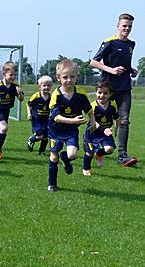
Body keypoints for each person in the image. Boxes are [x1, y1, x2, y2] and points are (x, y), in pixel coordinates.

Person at [90, 13, 138, 167]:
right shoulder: (109, 42)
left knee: (124, 121)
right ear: (118, 26)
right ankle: (90, 142)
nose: (127, 29)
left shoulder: (131, 44)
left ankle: (122, 155)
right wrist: (110, 70)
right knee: (99, 118)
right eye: (124, 26)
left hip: (125, 88)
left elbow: (123, 62)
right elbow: (93, 62)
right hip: (108, 89)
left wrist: (131, 70)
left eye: (129, 26)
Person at [47, 59, 96, 192]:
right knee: (54, 156)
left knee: (73, 155)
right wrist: (73, 120)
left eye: (72, 77)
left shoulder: (80, 94)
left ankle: (66, 158)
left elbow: (89, 110)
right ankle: (52, 183)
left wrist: (92, 122)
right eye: (65, 77)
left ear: (77, 77)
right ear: (58, 78)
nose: (69, 80)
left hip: (71, 130)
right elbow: (56, 117)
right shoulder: (56, 95)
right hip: (55, 129)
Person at [0, 61, 24, 159]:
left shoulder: (15, 85)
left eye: (15, 75)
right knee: (4, 128)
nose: (13, 77)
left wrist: (19, 94)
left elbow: (21, 99)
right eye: (11, 75)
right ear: (4, 74)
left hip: (6, 111)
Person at [82, 80, 119, 176]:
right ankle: (86, 168)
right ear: (95, 92)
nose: (102, 95)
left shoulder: (112, 105)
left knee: (109, 149)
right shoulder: (93, 106)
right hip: (93, 132)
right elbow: (93, 122)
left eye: (105, 93)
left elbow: (116, 118)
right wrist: (104, 129)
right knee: (89, 153)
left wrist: (116, 128)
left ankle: (99, 153)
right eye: (100, 93)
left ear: (110, 94)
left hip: (106, 132)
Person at [27, 75, 52, 156]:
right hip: (36, 119)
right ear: (39, 86)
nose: (46, 87)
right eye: (44, 85)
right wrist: (29, 114)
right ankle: (31, 139)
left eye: (48, 85)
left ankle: (42, 151)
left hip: (46, 119)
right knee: (39, 136)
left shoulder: (51, 97)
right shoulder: (36, 96)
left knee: (45, 136)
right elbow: (29, 104)